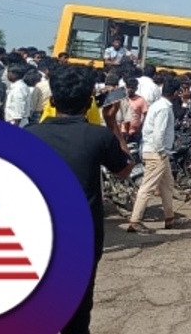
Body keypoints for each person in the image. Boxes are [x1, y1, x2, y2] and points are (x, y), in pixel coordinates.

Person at [26, 65, 133, 334]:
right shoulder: (99, 137)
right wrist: (112, 124)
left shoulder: (28, 135)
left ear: (51, 100)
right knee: (77, 312)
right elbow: (125, 168)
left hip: (35, 236)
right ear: (89, 103)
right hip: (82, 238)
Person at [127, 79, 182, 233]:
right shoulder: (164, 108)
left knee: (167, 184)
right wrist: (162, 151)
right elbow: (159, 133)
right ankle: (135, 221)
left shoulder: (158, 105)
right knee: (148, 187)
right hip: (157, 152)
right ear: (176, 93)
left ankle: (169, 218)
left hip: (155, 151)